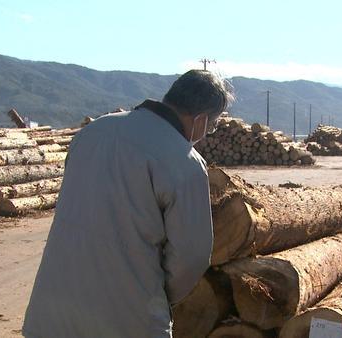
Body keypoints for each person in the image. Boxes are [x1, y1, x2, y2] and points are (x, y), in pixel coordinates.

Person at [22, 70, 234, 338]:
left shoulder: (93, 132)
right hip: (125, 320)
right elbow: (192, 255)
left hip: (51, 311)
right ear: (201, 120)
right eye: (212, 125)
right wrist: (153, 295)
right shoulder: (184, 160)